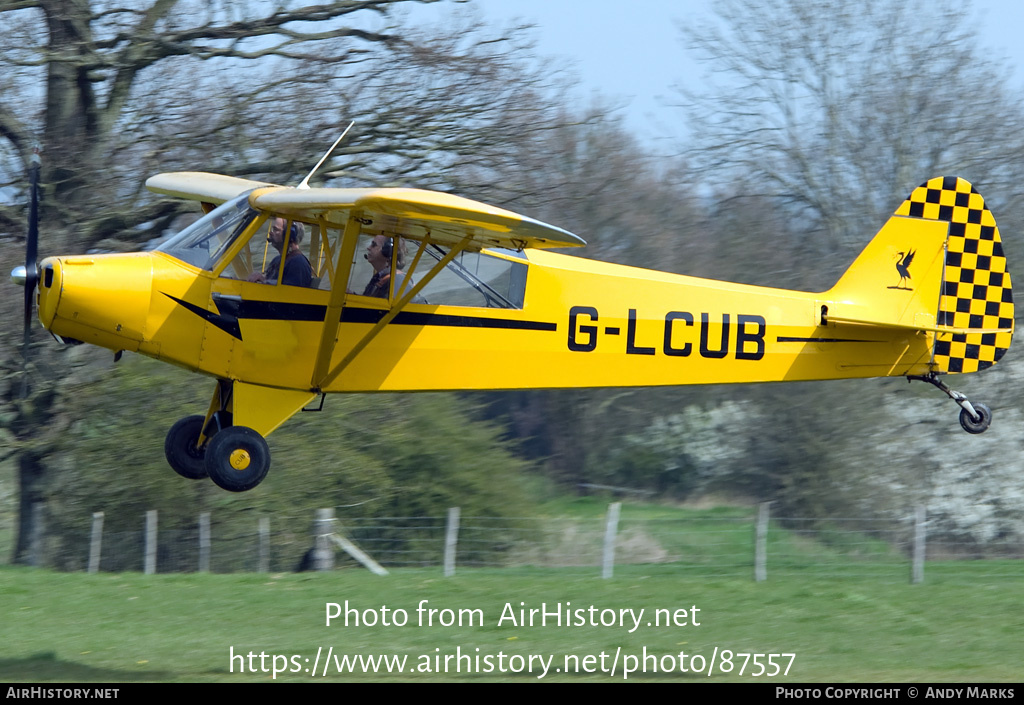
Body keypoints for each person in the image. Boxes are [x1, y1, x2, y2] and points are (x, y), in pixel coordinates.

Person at [248, 218, 313, 287]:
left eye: (275, 230)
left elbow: (291, 293)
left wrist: (263, 280)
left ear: (290, 234)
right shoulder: (277, 260)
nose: (270, 233)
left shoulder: (298, 262)